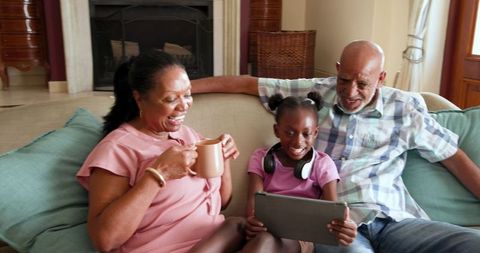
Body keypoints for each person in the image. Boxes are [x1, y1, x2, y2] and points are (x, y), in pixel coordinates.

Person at [191, 40, 480, 253]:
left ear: (381, 78)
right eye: (344, 80)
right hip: (335, 227)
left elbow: (454, 158)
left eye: (362, 84)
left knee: (470, 243)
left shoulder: (404, 109)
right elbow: (247, 84)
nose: (351, 92)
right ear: (337, 70)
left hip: (394, 220)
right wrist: (180, 90)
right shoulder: (316, 93)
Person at [76, 50, 245, 253]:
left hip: (219, 243)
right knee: (240, 227)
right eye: (171, 99)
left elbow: (223, 202)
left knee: (279, 240)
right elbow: (105, 240)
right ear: (139, 99)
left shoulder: (189, 135)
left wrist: (222, 156)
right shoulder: (118, 149)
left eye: (188, 94)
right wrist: (158, 173)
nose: (184, 106)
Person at [242, 92, 356, 253]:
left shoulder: (323, 164)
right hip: (264, 232)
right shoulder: (260, 158)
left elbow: (333, 214)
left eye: (306, 133)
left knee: (265, 240)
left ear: (315, 133)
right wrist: (252, 221)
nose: (298, 141)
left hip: (299, 241)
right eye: (289, 132)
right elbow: (252, 210)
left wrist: (345, 226)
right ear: (276, 130)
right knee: (239, 227)